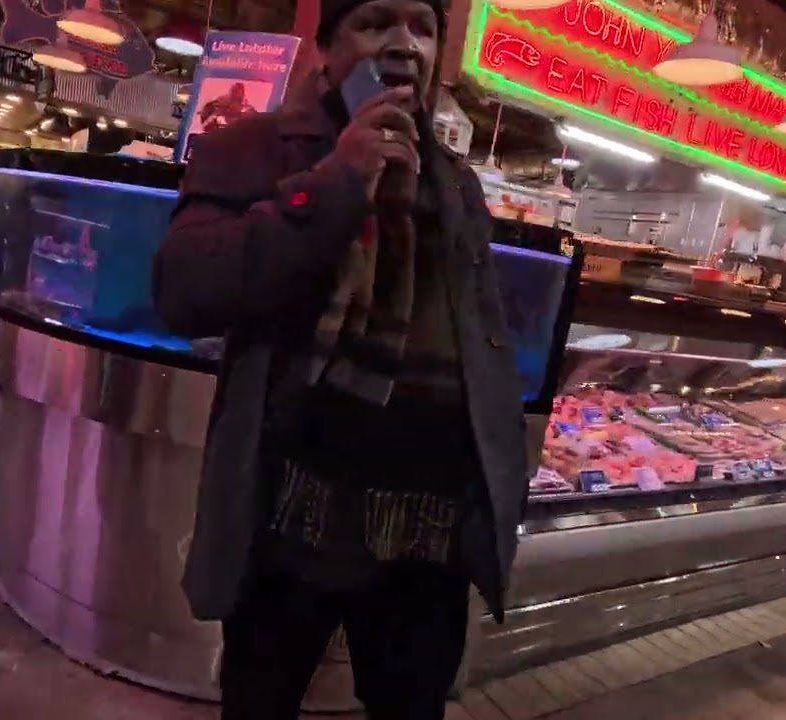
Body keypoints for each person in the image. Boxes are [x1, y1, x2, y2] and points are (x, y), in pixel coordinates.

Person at [152, 0, 529, 717]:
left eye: (422, 26)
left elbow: (479, 335)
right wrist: (337, 181)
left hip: (428, 529)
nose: (403, 43)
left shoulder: (455, 182)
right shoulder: (253, 146)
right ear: (326, 49)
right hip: (293, 516)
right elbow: (183, 290)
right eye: (375, 20)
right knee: (260, 702)